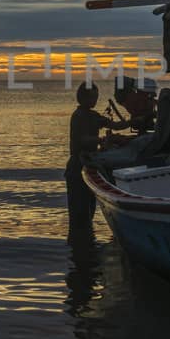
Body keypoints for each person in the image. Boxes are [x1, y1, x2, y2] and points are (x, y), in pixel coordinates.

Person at [65, 83, 120, 233]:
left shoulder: (94, 116)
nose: (95, 100)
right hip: (76, 167)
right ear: (82, 98)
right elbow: (81, 140)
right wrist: (101, 140)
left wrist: (133, 122)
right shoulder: (77, 116)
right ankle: (79, 247)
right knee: (78, 213)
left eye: (96, 97)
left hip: (89, 166)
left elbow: (114, 125)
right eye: (92, 97)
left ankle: (86, 247)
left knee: (89, 209)